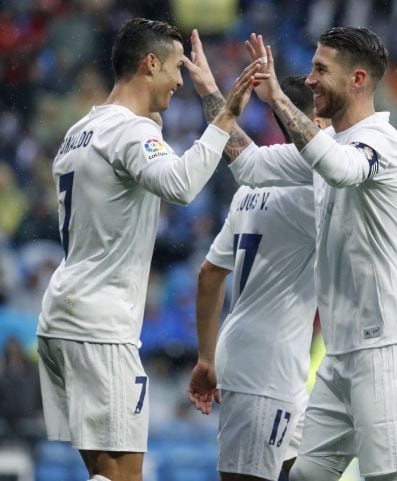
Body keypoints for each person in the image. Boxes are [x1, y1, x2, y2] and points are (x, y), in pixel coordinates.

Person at [185, 28, 397, 479]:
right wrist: (210, 91)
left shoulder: (383, 141)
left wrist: (278, 96)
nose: (311, 79)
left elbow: (340, 171)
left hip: (386, 347)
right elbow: (249, 165)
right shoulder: (326, 149)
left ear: (358, 79)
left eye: (321, 69)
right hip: (340, 354)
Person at [35, 18, 264, 481]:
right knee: (125, 477)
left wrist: (164, 117)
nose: (181, 80)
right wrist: (223, 117)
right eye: (177, 68)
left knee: (104, 473)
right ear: (150, 63)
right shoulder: (129, 132)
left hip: (62, 318)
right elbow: (180, 185)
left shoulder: (82, 130)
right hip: (101, 326)